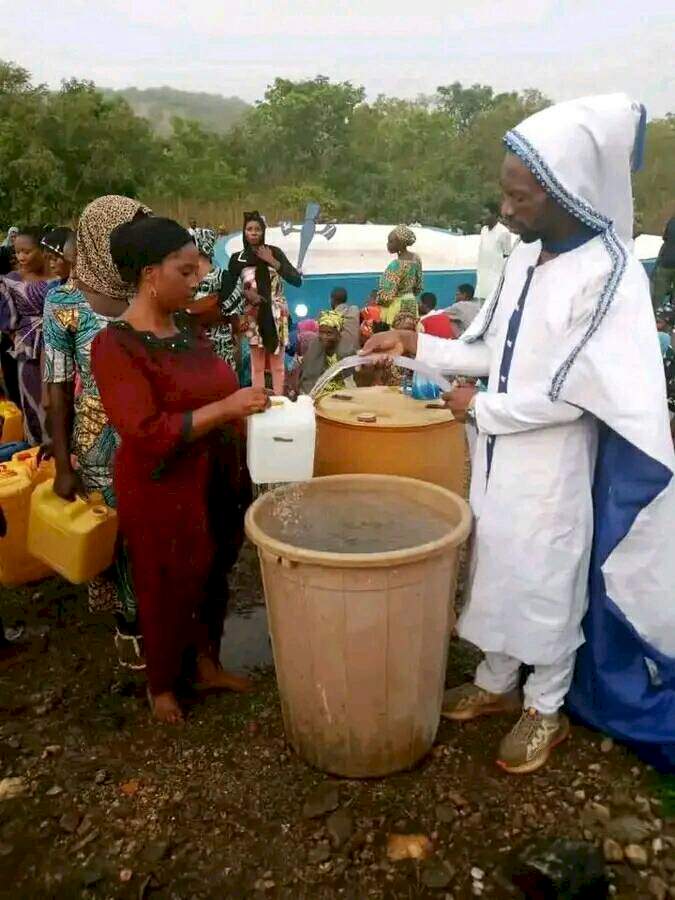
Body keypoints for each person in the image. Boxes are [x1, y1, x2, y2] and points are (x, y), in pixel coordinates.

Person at [363, 94, 675, 772]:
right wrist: (413, 340)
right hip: (497, 452)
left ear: (569, 192)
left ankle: (545, 705)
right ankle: (496, 684)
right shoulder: (524, 260)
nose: (506, 210)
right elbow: (487, 353)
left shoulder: (609, 276)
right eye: (504, 194)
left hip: (552, 461)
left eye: (520, 198)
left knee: (546, 576)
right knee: (497, 564)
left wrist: (478, 408)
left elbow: (578, 398)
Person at [91, 217, 268, 724]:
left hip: (215, 472)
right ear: (150, 273)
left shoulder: (188, 327)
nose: (195, 281)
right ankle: (163, 684)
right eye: (185, 271)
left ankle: (207, 664)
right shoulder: (117, 346)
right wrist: (228, 407)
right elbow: (145, 431)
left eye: (198, 271)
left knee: (215, 570)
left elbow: (217, 381)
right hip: (162, 484)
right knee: (167, 579)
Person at [43, 195, 152, 662]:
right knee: (117, 538)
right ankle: (131, 629)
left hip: (151, 434)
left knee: (149, 531)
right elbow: (57, 386)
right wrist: (62, 461)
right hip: (98, 444)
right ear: (101, 238)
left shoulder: (146, 292)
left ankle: (158, 621)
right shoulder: (64, 301)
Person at [228, 211, 301, 396]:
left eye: (257, 229)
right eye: (249, 229)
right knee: (257, 365)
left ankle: (280, 400)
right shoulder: (237, 259)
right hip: (253, 315)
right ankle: (258, 400)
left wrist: (272, 261)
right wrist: (245, 293)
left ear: (263, 232)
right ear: (244, 232)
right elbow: (228, 288)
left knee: (277, 365)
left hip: (277, 315)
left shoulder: (274, 252)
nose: (253, 233)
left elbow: (296, 279)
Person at [0, 226, 53, 444]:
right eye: (17, 252)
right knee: (34, 401)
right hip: (29, 350)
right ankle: (37, 451)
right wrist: (18, 338)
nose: (21, 257)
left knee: (62, 400)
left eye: (27, 251)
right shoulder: (10, 282)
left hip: (60, 346)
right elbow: (7, 320)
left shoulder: (60, 278)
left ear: (42, 250)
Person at [188, 227, 244, 368]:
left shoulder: (226, 278)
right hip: (193, 348)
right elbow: (236, 319)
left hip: (219, 348)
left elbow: (236, 320)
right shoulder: (183, 280)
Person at [377, 225, 422, 325]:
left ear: (400, 243)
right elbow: (419, 285)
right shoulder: (416, 258)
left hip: (396, 306)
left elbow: (386, 296)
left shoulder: (395, 265)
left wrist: (379, 302)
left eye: (390, 241)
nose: (388, 244)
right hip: (412, 303)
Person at [295, 309, 346, 396]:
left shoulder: (347, 350)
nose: (324, 337)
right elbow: (308, 379)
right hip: (315, 392)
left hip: (341, 393)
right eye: (321, 332)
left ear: (338, 334)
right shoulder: (314, 347)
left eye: (329, 333)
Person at [474, 201, 513, 301]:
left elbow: (507, 256)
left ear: (494, 214)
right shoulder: (484, 230)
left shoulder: (504, 232)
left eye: (486, 214)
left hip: (495, 279)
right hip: (482, 278)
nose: (483, 217)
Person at [651, 214, 675, 310]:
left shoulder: (672, 221)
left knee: (658, 294)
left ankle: (655, 314)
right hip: (667, 261)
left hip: (666, 261)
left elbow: (665, 238)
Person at [329, 286, 360, 356]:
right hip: (356, 354)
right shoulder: (355, 310)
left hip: (341, 357)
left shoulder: (331, 317)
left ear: (332, 300)